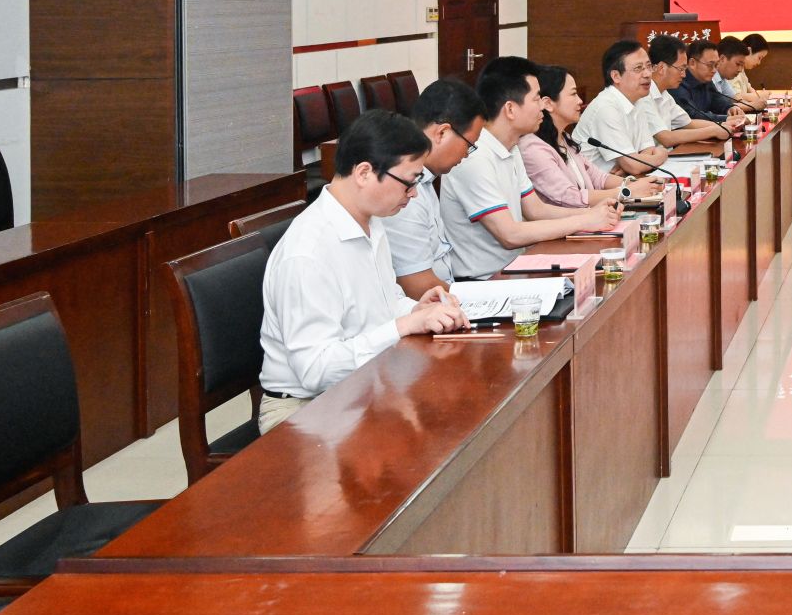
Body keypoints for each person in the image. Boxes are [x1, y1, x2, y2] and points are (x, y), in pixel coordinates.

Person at [257, 110, 470, 432]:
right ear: (364, 173)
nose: (414, 194)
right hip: (305, 408)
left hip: (364, 384)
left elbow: (383, 303)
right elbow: (315, 370)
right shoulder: (307, 253)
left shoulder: (371, 223)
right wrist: (402, 325)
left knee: (455, 410)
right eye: (409, 182)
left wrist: (417, 310)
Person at [441, 57, 623, 280]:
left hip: (518, 268)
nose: (542, 106)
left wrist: (593, 213)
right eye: (536, 99)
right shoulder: (475, 156)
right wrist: (585, 220)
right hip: (485, 280)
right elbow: (509, 235)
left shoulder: (512, 146)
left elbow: (536, 210)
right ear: (510, 109)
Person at [388, 77, 485, 299]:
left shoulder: (426, 178)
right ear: (442, 133)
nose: (466, 155)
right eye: (468, 145)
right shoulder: (403, 191)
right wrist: (485, 298)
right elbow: (417, 286)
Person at [523, 65, 641, 209]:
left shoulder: (564, 138)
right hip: (570, 222)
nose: (579, 100)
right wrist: (627, 191)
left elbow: (599, 178)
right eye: (573, 94)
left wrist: (638, 185)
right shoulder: (533, 148)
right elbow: (569, 196)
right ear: (548, 103)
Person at [575, 39, 673, 176]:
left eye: (649, 66)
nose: (647, 74)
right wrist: (662, 154)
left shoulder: (637, 99)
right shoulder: (606, 107)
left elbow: (647, 150)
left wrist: (634, 164)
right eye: (638, 68)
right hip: (594, 185)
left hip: (624, 179)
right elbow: (634, 166)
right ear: (616, 76)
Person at [647, 34, 743, 152]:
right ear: (662, 68)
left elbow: (689, 123)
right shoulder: (645, 95)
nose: (684, 74)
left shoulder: (664, 94)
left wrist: (723, 125)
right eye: (681, 69)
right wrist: (713, 131)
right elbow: (666, 138)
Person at [676, 39, 741, 121]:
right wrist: (727, 119)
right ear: (692, 63)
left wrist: (730, 108)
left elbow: (717, 99)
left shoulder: (706, 80)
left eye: (716, 65)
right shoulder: (678, 82)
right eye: (710, 65)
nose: (714, 70)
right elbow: (692, 115)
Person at [713, 36, 769, 110]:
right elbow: (718, 107)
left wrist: (753, 104)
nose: (740, 69)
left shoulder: (723, 78)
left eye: (742, 65)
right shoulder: (711, 78)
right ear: (722, 59)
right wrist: (752, 106)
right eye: (738, 64)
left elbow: (736, 98)